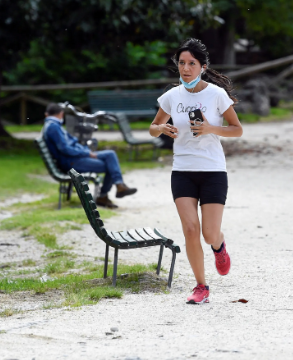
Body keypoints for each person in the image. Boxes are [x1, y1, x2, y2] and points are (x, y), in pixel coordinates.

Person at [150, 38, 243, 304]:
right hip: (183, 171)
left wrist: (211, 128)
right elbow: (153, 126)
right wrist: (161, 129)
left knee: (208, 233)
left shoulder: (216, 94)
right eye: (182, 63)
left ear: (202, 66)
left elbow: (237, 129)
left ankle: (219, 246)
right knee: (190, 229)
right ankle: (201, 286)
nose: (186, 68)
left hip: (213, 170)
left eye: (192, 63)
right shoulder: (171, 96)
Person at [42, 103, 137, 209]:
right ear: (61, 114)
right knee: (110, 165)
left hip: (75, 158)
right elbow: (65, 149)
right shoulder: (53, 127)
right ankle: (104, 195)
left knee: (110, 154)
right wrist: (87, 153)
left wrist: (85, 151)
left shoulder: (53, 125)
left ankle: (119, 185)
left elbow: (71, 144)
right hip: (71, 162)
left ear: (47, 114)